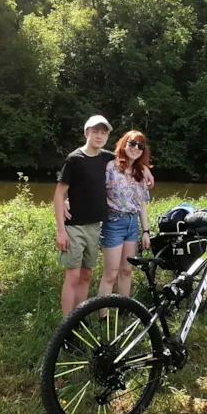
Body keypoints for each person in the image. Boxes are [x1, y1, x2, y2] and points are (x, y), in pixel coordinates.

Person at [53, 115, 153, 316]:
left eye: (103, 132)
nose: (99, 136)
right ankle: (70, 323)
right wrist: (62, 223)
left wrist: (144, 167)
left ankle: (81, 316)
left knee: (88, 274)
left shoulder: (108, 159)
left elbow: (130, 161)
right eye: (95, 131)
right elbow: (59, 192)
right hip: (80, 225)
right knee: (77, 275)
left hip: (98, 225)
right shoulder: (81, 160)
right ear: (86, 133)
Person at [97, 131, 152, 301]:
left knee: (127, 270)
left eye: (140, 146)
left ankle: (124, 309)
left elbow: (142, 203)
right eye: (132, 143)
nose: (135, 148)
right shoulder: (111, 167)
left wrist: (146, 231)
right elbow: (94, 189)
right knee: (110, 274)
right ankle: (103, 312)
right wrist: (70, 201)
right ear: (124, 144)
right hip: (113, 222)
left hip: (132, 224)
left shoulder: (140, 172)